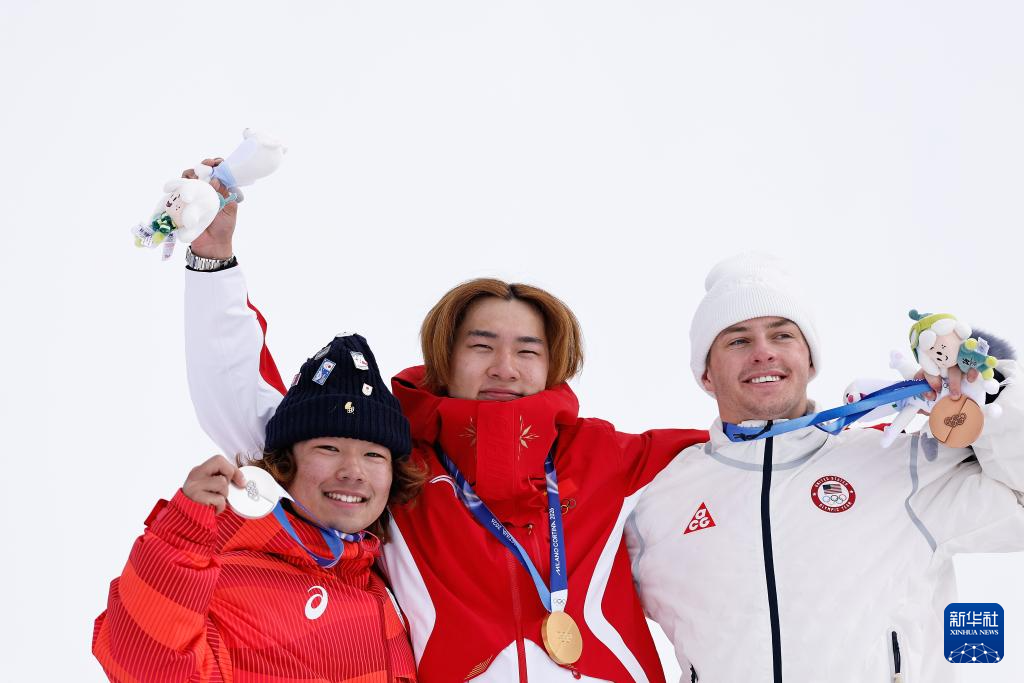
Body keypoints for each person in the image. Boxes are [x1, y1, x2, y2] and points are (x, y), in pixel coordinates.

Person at [178, 159, 707, 682]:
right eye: (480, 346)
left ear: (554, 365)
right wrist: (213, 261)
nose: (504, 368)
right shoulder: (392, 464)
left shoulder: (611, 459)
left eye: (528, 350)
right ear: (444, 358)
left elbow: (741, 459)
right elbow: (252, 406)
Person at [625, 254, 1024, 682]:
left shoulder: (899, 466)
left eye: (782, 335)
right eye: (738, 341)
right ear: (706, 375)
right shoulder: (658, 501)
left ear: (811, 360)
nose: (763, 352)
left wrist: (989, 395)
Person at [93, 334, 424, 682]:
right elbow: (148, 664)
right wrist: (180, 538)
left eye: (373, 454)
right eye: (328, 448)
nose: (353, 471)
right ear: (284, 464)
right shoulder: (216, 575)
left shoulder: (388, 589)